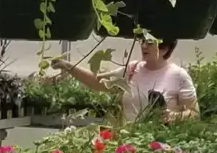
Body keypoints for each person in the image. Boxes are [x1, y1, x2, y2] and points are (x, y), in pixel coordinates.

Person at [52, 39, 198, 123]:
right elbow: (97, 82)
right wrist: (68, 66)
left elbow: (195, 113)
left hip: (162, 146)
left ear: (165, 48)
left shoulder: (178, 76)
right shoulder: (132, 69)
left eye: (149, 43)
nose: (143, 46)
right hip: (129, 143)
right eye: (143, 41)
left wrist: (174, 116)